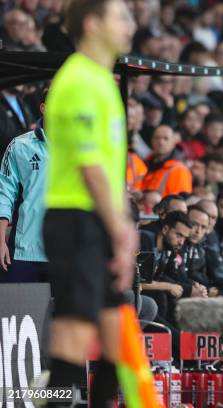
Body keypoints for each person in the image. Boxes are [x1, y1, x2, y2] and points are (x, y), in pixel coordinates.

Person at [40, 0, 137, 406]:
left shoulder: (103, 81)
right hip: (75, 219)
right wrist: (120, 229)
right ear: (94, 24)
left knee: (117, 342)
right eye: (121, 17)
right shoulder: (78, 79)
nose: (130, 25)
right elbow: (90, 168)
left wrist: (122, 225)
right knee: (73, 339)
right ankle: (52, 399)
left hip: (100, 220)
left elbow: (111, 170)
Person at [0, 91, 48, 283]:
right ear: (43, 108)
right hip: (24, 251)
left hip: (66, 251)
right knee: (16, 302)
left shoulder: (79, 149)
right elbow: (3, 195)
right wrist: (1, 241)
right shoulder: (20, 146)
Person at [141, 125, 193, 197]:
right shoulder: (144, 164)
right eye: (157, 138)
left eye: (166, 139)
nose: (161, 142)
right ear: (152, 141)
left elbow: (180, 201)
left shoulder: (179, 170)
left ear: (173, 142)